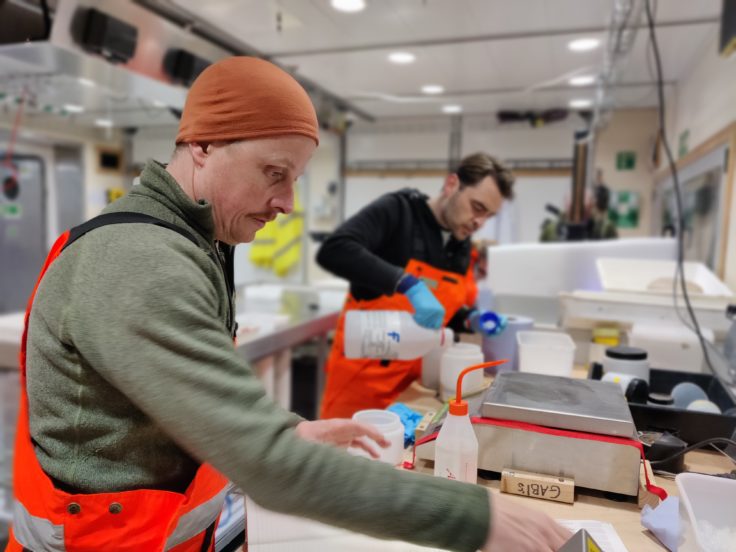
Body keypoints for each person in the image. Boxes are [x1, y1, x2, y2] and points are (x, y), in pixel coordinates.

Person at [7, 57, 568, 552]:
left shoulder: (194, 240)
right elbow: (269, 469)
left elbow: (182, 404)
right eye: (274, 174)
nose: (287, 203)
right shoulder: (139, 259)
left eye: (295, 178)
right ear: (203, 145)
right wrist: (475, 518)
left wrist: (280, 430)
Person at [316, 153, 514, 419]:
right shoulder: (398, 212)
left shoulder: (460, 245)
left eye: (489, 215)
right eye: (477, 207)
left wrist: (470, 319)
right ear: (451, 185)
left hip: (413, 395)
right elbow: (334, 249)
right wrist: (407, 284)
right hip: (360, 391)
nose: (480, 222)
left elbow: (434, 313)